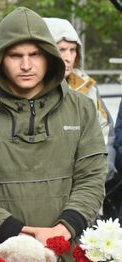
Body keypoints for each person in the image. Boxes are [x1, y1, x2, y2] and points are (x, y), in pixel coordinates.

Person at [0, 7, 107, 261]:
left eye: (35, 54)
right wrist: (20, 234)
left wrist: (62, 231)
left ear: (49, 56)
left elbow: (92, 177)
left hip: (66, 256)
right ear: (0, 59)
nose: (26, 65)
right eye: (15, 55)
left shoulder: (82, 109)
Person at [43, 17, 116, 181]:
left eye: (73, 50)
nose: (68, 57)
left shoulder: (88, 88)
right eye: (61, 49)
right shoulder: (28, 90)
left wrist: (100, 174)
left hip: (88, 190)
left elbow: (106, 135)